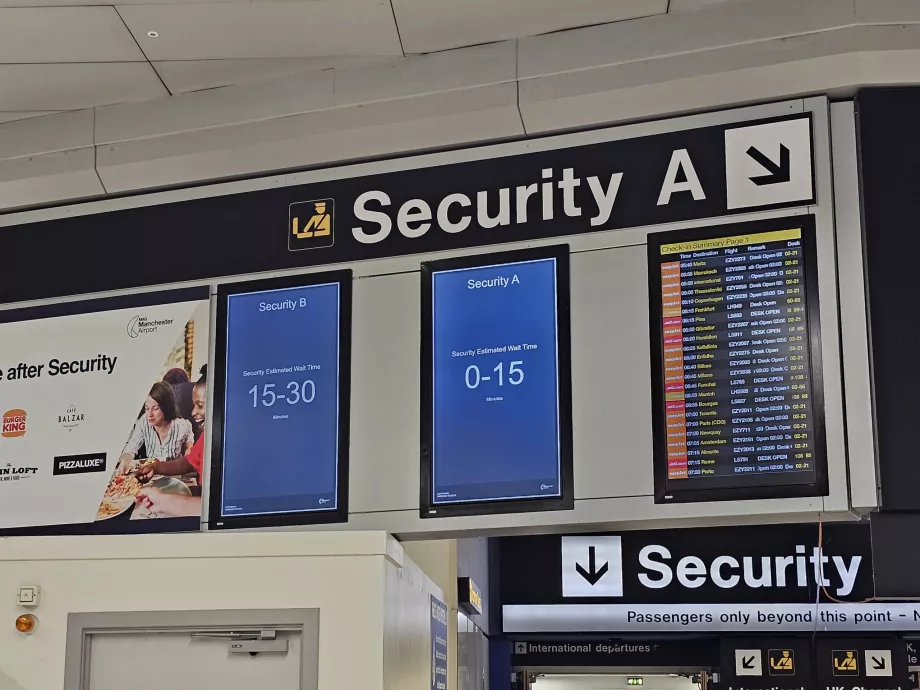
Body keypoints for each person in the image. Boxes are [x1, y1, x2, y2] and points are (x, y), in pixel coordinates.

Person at [135, 365, 206, 517]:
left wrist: (165, 502)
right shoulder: (205, 437)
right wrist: (156, 467)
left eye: (200, 405)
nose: (193, 412)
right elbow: (188, 461)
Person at [118, 381, 193, 475]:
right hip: (150, 476)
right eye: (147, 408)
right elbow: (130, 449)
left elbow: (189, 448)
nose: (149, 414)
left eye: (155, 408)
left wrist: (189, 448)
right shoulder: (144, 421)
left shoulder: (182, 426)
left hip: (174, 477)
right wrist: (125, 460)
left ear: (166, 407)